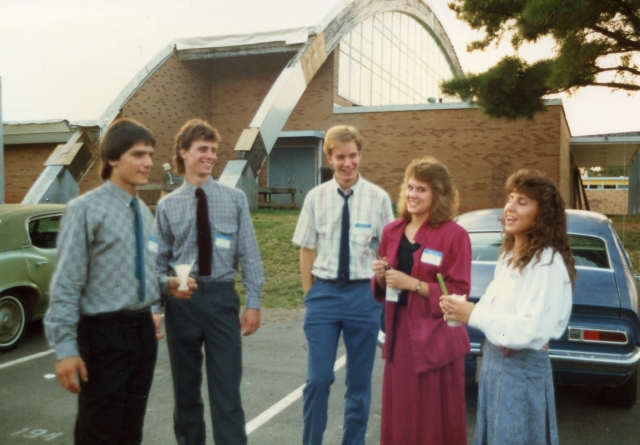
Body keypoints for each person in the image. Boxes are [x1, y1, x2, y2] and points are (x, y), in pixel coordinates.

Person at [44, 118, 185, 445]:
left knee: (130, 430)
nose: (148, 162)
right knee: (100, 432)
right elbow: (66, 284)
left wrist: (168, 286)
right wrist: (65, 349)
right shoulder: (85, 209)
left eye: (150, 154)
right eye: (138, 154)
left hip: (141, 334)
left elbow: (142, 274)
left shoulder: (143, 212)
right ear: (112, 159)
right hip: (103, 335)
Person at [441, 169, 575, 445]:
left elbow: (528, 329)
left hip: (521, 370)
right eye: (510, 198)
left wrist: (473, 314)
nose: (510, 207)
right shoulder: (512, 254)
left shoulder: (546, 262)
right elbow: (495, 305)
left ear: (543, 213)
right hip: (495, 363)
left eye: (522, 202)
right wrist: (462, 309)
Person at [155, 118, 264, 445]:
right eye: (203, 149)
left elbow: (250, 254)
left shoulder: (234, 200)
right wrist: (154, 308)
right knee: (185, 393)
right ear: (183, 153)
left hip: (221, 301)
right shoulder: (167, 205)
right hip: (182, 302)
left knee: (227, 392)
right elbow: (158, 261)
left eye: (214, 150)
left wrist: (254, 303)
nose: (210, 156)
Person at [292, 124, 394, 445]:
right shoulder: (315, 197)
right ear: (329, 158)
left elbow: (388, 248)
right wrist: (310, 295)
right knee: (318, 380)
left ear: (360, 155)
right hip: (323, 294)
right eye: (340, 157)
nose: (347, 163)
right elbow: (307, 248)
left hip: (363, 295)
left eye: (352, 156)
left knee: (359, 385)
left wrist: (383, 271)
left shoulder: (378, 199)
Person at [371, 156, 471, 445]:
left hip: (437, 339)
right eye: (409, 187)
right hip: (400, 335)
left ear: (438, 195)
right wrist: (381, 276)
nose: (412, 195)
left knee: (433, 421)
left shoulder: (455, 235)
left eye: (421, 189)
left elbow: (459, 291)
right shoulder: (392, 231)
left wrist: (412, 284)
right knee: (401, 415)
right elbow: (385, 281)